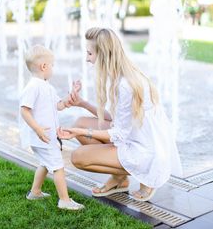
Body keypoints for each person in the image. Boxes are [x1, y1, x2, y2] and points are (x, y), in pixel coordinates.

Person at [57, 27, 182, 202]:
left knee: (78, 157)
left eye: (90, 54)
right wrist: (82, 104)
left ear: (104, 55)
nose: (87, 58)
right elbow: (117, 120)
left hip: (145, 150)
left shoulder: (125, 84)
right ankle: (120, 179)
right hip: (133, 138)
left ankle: (144, 175)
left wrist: (79, 133)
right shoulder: (121, 75)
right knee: (81, 122)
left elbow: (119, 133)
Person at [19, 44, 84, 210]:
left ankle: (35, 191)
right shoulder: (33, 86)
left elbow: (59, 105)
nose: (53, 68)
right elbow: (24, 110)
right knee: (57, 166)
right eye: (52, 65)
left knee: (46, 163)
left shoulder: (46, 86)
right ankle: (64, 200)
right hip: (42, 136)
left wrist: (71, 96)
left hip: (45, 137)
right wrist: (38, 129)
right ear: (44, 66)